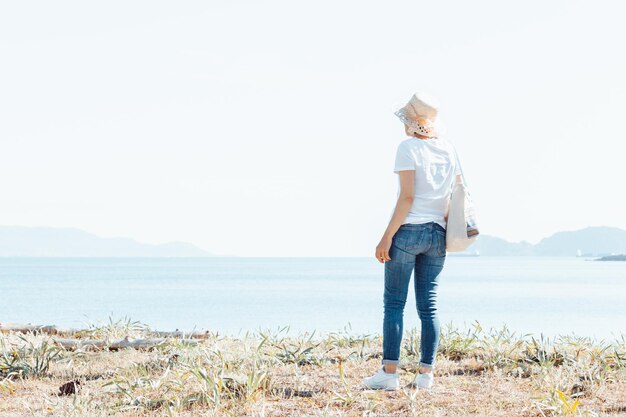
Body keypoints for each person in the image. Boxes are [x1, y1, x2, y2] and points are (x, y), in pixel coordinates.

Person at [362, 92, 463, 391]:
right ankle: (425, 375)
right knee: (428, 307)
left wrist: (386, 237)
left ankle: (390, 373)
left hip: (408, 231)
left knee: (394, 303)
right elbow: (453, 196)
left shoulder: (407, 148)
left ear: (412, 124)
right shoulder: (448, 149)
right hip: (437, 233)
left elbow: (407, 197)